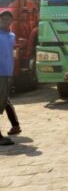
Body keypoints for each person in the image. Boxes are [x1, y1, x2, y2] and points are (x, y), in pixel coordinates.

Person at [0, 11, 21, 145]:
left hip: (7, 74)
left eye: (8, 19)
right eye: (3, 18)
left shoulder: (12, 36)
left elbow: (13, 54)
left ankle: (15, 125)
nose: (6, 21)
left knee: (3, 101)